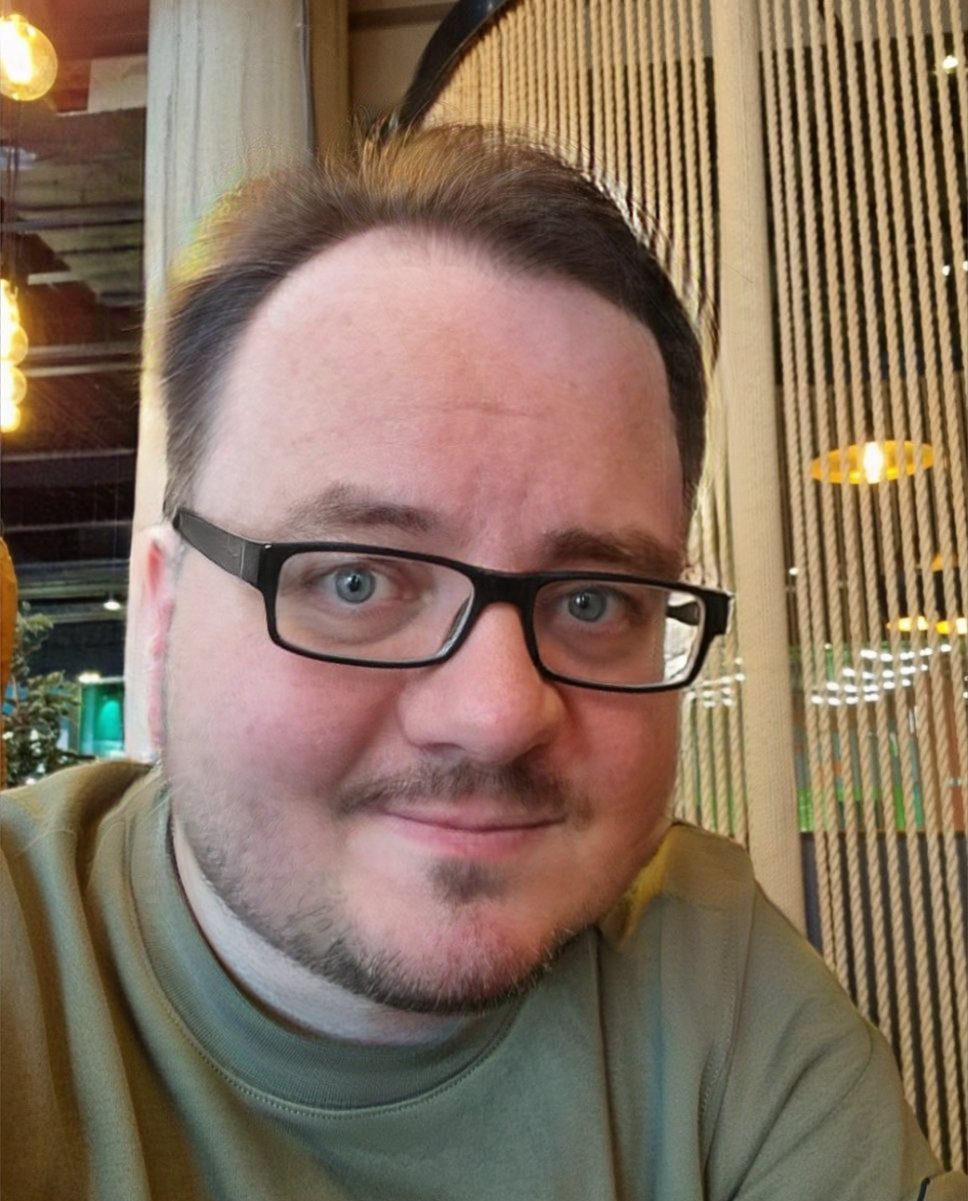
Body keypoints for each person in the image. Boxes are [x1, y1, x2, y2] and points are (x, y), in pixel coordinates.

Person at [2, 125, 963, 1201]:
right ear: (164, 610)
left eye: (593, 600)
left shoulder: (715, 978)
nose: (498, 713)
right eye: (356, 581)